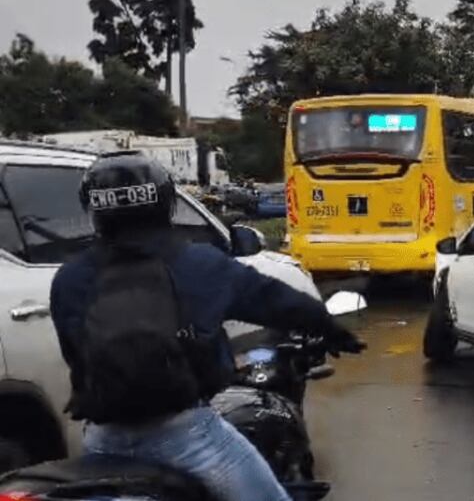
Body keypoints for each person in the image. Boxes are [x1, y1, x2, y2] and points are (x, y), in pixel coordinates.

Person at [49, 151, 365, 501]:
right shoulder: (198, 263)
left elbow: (75, 353)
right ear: (165, 202)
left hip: (102, 440)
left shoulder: (69, 278)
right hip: (187, 436)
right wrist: (332, 329)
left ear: (93, 209)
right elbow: (276, 300)